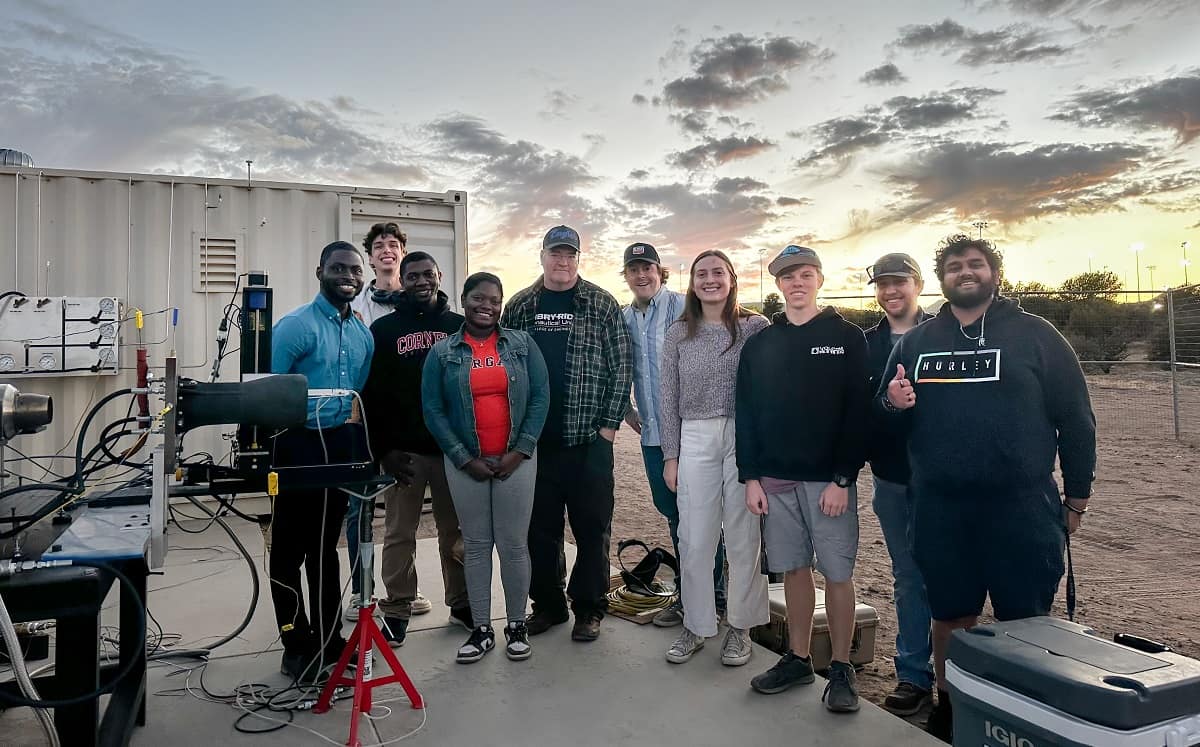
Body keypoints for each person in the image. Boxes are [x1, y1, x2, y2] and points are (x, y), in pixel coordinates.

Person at [878, 234, 1096, 741]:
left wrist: (1077, 496)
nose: (965, 272)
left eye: (975, 264)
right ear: (942, 279)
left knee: (1026, 622)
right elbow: (882, 417)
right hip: (940, 509)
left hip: (1020, 508)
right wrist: (891, 403)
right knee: (950, 615)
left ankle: (1023, 716)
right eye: (954, 266)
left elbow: (1077, 421)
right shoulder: (917, 342)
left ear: (994, 273)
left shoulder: (1036, 335)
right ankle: (953, 707)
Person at [737, 245, 870, 713]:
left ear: (818, 279)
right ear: (778, 284)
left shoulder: (847, 337)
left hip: (828, 483)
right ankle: (796, 658)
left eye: (806, 274)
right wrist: (750, 477)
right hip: (775, 481)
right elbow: (747, 414)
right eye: (789, 276)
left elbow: (858, 413)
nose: (797, 282)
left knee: (836, 573)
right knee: (794, 569)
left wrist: (842, 478)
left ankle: (839, 667)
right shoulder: (761, 344)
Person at [499, 225, 633, 643]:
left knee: (593, 529)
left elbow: (621, 365)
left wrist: (608, 429)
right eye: (555, 253)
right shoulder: (520, 306)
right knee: (539, 529)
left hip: (589, 441)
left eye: (570, 254)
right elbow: (505, 367)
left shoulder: (601, 303)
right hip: (535, 443)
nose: (562, 261)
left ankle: (590, 608)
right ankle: (549, 606)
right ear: (541, 256)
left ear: (578, 258)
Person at [423, 272, 550, 663]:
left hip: (516, 461)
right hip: (466, 464)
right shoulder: (442, 352)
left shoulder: (522, 345)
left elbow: (541, 397)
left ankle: (515, 626)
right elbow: (433, 409)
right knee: (476, 546)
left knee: (513, 545)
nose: (487, 306)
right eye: (478, 298)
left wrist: (521, 450)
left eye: (494, 300)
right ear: (464, 300)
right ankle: (481, 629)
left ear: (501, 303)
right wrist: (463, 458)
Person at [269, 240, 373, 683]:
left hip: (338, 445)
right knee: (289, 551)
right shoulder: (295, 326)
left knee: (326, 549)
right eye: (338, 268)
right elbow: (269, 391)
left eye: (354, 269)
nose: (347, 275)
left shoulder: (362, 332)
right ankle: (296, 644)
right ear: (320, 272)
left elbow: (358, 390)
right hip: (295, 446)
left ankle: (330, 639)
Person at [660, 249, 769, 668]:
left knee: (744, 539)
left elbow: (768, 390)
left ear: (731, 278)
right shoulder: (678, 332)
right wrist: (672, 455)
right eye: (702, 273)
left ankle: (740, 628)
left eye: (717, 272)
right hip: (696, 437)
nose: (710, 280)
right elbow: (667, 396)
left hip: (743, 436)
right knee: (695, 538)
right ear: (692, 282)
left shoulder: (755, 327)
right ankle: (698, 624)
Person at [361, 251, 470, 647]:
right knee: (398, 533)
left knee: (454, 532)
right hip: (404, 454)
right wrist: (383, 449)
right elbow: (372, 395)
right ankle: (397, 609)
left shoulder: (458, 327)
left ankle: (461, 604)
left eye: (428, 274)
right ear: (401, 280)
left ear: (440, 276)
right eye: (413, 275)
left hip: (450, 453)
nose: (421, 280)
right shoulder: (384, 330)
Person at [620, 242, 727, 628]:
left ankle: (711, 592)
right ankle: (690, 591)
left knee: (702, 514)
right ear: (627, 276)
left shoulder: (686, 306)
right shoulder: (624, 318)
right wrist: (627, 411)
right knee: (674, 514)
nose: (641, 275)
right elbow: (621, 366)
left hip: (696, 430)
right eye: (633, 269)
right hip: (654, 434)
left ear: (660, 271)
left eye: (647, 267)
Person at [345, 221, 434, 619]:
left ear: (402, 252)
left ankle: (403, 594)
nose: (386, 250)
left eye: (393, 244)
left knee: (404, 521)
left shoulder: (420, 301)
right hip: (364, 423)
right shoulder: (357, 304)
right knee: (360, 509)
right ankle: (361, 593)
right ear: (371, 256)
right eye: (378, 245)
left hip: (414, 433)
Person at [863, 252, 935, 715]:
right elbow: (860, 414)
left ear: (918, 284)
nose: (891, 291)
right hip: (892, 479)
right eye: (883, 284)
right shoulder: (865, 344)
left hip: (945, 481)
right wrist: (888, 405)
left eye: (900, 282)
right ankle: (913, 674)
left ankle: (961, 675)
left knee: (956, 577)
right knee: (908, 578)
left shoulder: (947, 333)